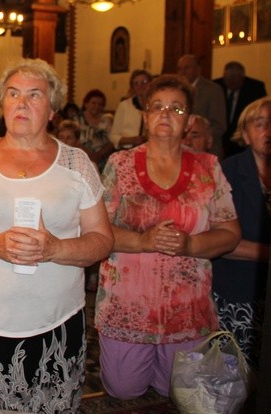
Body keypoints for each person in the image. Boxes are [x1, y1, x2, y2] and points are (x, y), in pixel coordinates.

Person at [0, 58, 114, 412]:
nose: (22, 103)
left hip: (57, 322)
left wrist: (55, 248)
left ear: (53, 108)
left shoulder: (77, 164)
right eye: (13, 94)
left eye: (34, 95)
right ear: (1, 104)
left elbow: (102, 240)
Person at [96, 74, 241, 400]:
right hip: (127, 304)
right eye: (157, 107)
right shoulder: (120, 164)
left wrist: (191, 245)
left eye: (176, 109)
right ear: (145, 116)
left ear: (188, 120)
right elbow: (96, 231)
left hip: (186, 307)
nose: (165, 114)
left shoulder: (208, 167)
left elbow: (230, 233)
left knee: (175, 391)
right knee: (123, 389)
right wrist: (142, 241)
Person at [213, 96, 271, 369]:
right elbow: (224, 241)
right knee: (239, 372)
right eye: (260, 124)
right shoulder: (228, 171)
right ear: (246, 133)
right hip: (239, 291)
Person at [176, 54, 226, 157]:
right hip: (181, 150)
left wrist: (198, 135)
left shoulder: (212, 90)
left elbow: (219, 125)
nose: (183, 72)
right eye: (180, 69)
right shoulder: (177, 92)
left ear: (198, 69)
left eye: (187, 68)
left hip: (207, 151)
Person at [214, 61, 267, 158]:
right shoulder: (216, 86)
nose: (232, 84)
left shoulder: (255, 88)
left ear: (243, 78)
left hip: (243, 139)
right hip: (221, 141)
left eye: (235, 80)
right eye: (229, 80)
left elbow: (260, 114)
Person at [110, 70, 152, 150]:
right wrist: (132, 140)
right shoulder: (124, 106)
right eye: (136, 83)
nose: (141, 86)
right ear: (132, 87)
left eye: (144, 81)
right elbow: (113, 136)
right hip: (128, 150)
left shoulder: (156, 105)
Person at [75, 89, 115, 168]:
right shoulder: (76, 120)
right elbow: (73, 140)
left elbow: (113, 141)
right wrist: (90, 155)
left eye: (100, 104)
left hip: (102, 161)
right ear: (86, 103)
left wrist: (98, 155)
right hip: (81, 159)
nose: (97, 106)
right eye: (93, 103)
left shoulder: (107, 121)